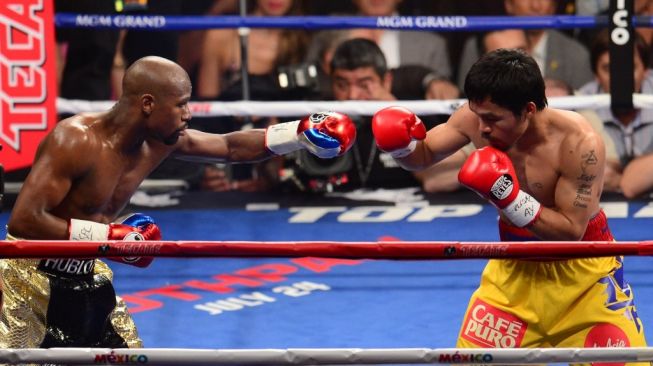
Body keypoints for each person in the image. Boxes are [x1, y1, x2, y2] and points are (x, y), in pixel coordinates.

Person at [3, 56, 356, 348]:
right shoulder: (74, 140)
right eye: (182, 104)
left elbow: (229, 147)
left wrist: (297, 133)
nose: (188, 114)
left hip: (88, 271)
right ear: (147, 104)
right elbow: (24, 220)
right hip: (29, 276)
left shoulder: (161, 140)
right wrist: (111, 235)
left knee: (126, 355)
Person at [372, 49, 647, 353]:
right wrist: (399, 145)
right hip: (514, 270)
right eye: (477, 115)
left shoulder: (579, 142)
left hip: (586, 278)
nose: (483, 128)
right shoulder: (476, 118)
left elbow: (571, 232)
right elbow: (423, 156)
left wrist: (509, 196)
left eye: (492, 119)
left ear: (528, 109)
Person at [577, 30, 653, 197]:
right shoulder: (581, 105)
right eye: (609, 68)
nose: (620, 79)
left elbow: (630, 184)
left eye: (630, 67)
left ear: (645, 70)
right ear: (596, 75)